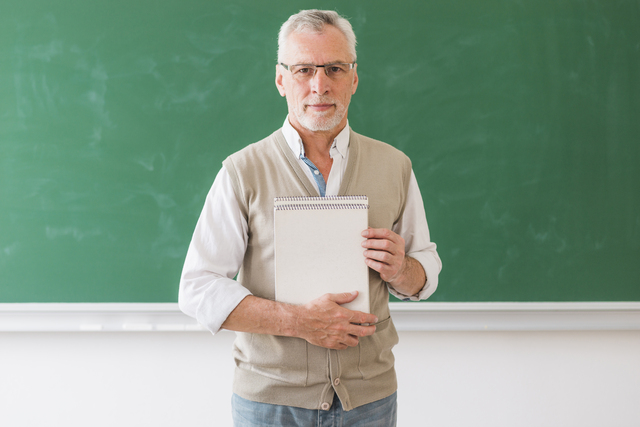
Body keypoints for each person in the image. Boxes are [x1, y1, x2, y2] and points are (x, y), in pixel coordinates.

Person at [179, 9, 442, 426]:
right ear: (281, 79)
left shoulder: (395, 167)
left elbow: (424, 272)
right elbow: (197, 289)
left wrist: (402, 268)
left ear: (354, 78)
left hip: (370, 401)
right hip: (270, 404)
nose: (319, 85)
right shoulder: (241, 171)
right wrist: (300, 322)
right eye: (304, 69)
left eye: (334, 68)